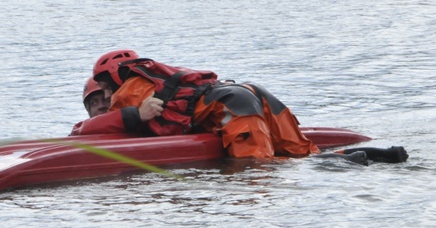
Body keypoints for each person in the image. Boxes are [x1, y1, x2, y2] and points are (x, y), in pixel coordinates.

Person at [75, 50, 317, 159]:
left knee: (254, 171)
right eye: (94, 102)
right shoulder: (156, 77)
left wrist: (135, 115)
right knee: (306, 154)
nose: (105, 101)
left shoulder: (130, 91)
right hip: (252, 94)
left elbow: (84, 130)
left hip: (233, 107)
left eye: (105, 92)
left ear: (116, 80)